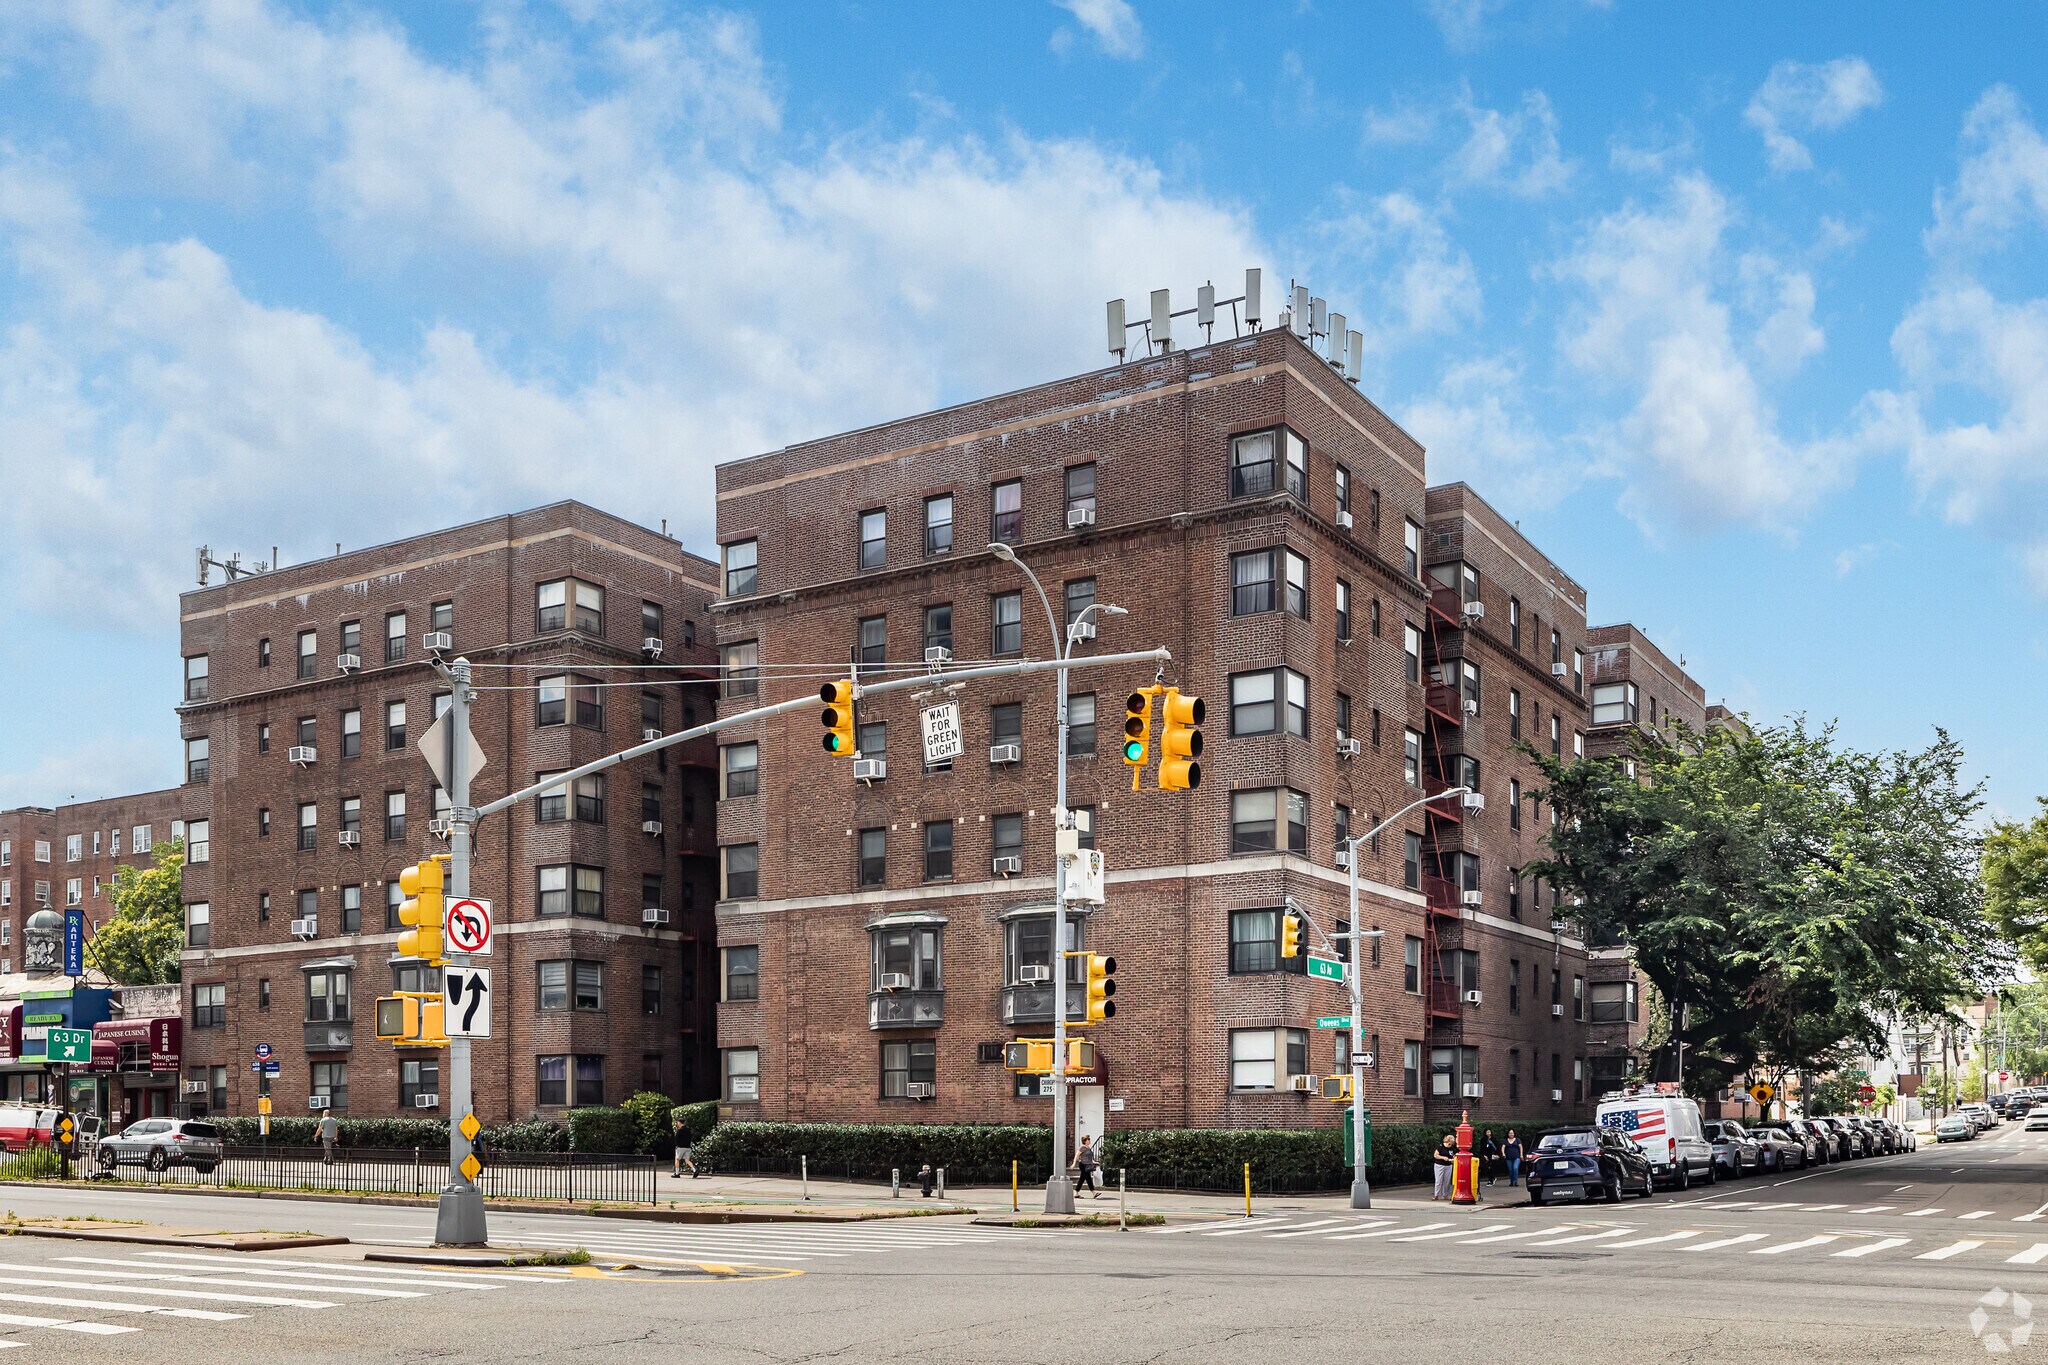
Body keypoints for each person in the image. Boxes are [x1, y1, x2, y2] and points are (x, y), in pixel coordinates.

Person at [671, 1113, 697, 1179]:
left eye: (677, 1122)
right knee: (687, 1160)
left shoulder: (679, 1130)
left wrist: (676, 1145)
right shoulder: (688, 1130)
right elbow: (690, 1137)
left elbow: (676, 1139)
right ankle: (694, 1170)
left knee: (677, 1159)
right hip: (688, 1147)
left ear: (679, 1123)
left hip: (680, 1147)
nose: (677, 1123)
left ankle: (677, 1173)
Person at [1432, 1132, 1456, 1200]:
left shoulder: (1452, 1148)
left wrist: (1453, 1160)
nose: (1450, 1144)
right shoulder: (1440, 1147)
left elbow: (1454, 1156)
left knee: (1447, 1181)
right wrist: (1443, 1158)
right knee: (1438, 1180)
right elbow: (1435, 1155)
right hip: (1439, 1165)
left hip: (1448, 1165)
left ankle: (1445, 1195)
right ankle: (1436, 1195)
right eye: (1450, 1142)